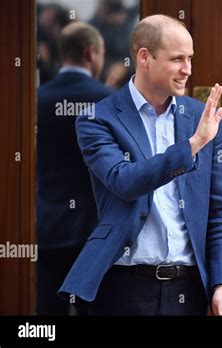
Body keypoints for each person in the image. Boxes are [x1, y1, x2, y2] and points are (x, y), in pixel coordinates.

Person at [58, 15, 222, 316]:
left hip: (189, 290)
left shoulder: (201, 119)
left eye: (190, 58)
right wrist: (192, 146)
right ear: (144, 56)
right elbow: (124, 181)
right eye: (177, 59)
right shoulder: (97, 118)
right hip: (123, 288)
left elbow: (221, 212)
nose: (188, 70)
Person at [36, 21, 113, 315]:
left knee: (47, 313)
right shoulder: (106, 99)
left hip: (48, 224)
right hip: (96, 228)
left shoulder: (36, 100)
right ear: (92, 52)